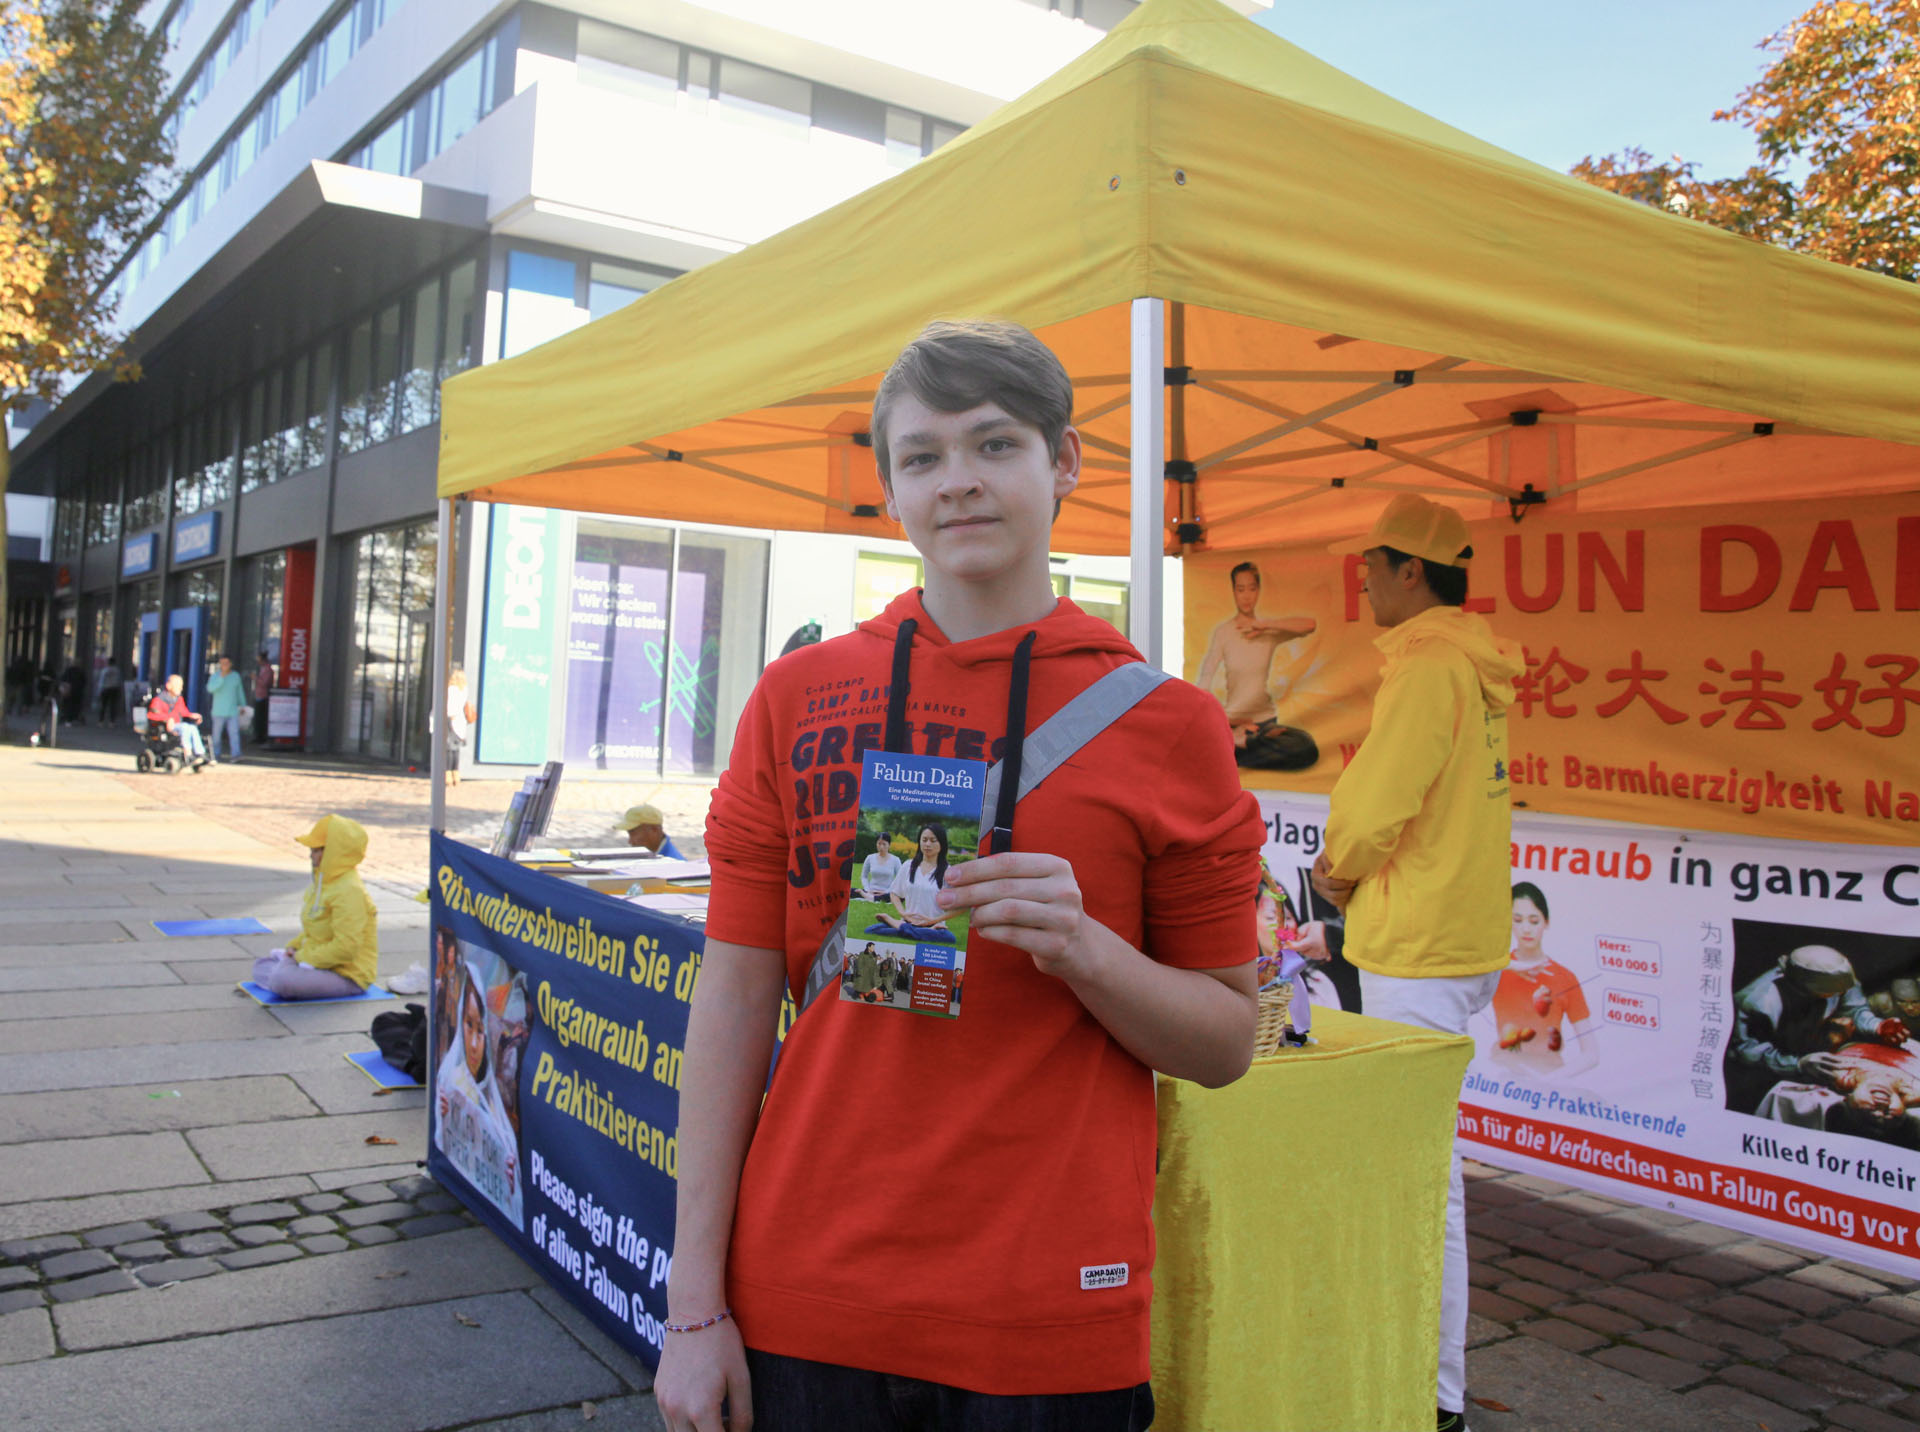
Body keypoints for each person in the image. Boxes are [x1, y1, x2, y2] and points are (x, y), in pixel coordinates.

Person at [656, 320, 1263, 1432]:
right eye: (923, 456)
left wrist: (1086, 950)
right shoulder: (795, 697)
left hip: (1048, 1309)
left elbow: (1226, 1042)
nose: (959, 482)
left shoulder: (1172, 726)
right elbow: (735, 999)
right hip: (806, 1291)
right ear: (890, 490)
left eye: (994, 444)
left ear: (1063, 462)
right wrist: (693, 1306)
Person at [1308, 491, 1523, 1432]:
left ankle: (1432, 1395)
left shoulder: (1432, 661)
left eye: (1373, 564)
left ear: (1411, 570)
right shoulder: (1466, 659)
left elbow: (1375, 804)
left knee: (1421, 1177)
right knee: (1417, 1167)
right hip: (1454, 939)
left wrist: (1337, 870)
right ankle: (1415, 1374)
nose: (1362, 579)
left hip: (1420, 948)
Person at [1726, 945, 1904, 1113]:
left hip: (1807, 1050)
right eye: (1831, 993)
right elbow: (1746, 1052)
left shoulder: (1837, 979)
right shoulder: (1760, 1002)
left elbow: (1854, 1009)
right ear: (1805, 989)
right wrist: (1798, 1065)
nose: (1839, 995)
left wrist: (1878, 1026)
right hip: (1761, 1070)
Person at [1197, 561, 1319, 769]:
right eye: (1240, 589)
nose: (1246, 596)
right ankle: (1237, 744)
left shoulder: (1266, 631)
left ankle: (1239, 749)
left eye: (1252, 589)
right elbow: (1206, 675)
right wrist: (1227, 722)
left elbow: (1309, 625)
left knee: (1305, 746)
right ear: (1233, 591)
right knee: (1209, 744)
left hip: (1264, 724)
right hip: (1232, 722)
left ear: (1259, 590)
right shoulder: (1224, 632)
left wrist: (1264, 625)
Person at [250, 814, 379, 999]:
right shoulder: (324, 882)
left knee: (282, 980)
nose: (311, 855)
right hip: (318, 963)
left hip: (348, 975)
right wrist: (294, 947)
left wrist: (300, 957)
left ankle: (285, 972)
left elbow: (346, 948)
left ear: (334, 852)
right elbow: (315, 931)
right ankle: (286, 971)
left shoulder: (349, 890)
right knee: (261, 967)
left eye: (316, 850)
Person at [1486, 883, 1598, 1079]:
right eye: (1517, 920)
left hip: (1548, 1078)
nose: (1526, 929)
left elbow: (1591, 1054)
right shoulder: (1496, 968)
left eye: (1534, 921)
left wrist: (1547, 1082)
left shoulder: (1565, 978)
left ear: (1546, 922)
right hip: (1504, 1076)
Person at [870, 823, 952, 934]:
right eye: (924, 840)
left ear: (942, 843)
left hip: (934, 925)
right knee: (872, 929)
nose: (928, 844)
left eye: (933, 841)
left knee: (948, 937)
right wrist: (903, 913)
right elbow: (894, 893)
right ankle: (911, 929)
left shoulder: (948, 872)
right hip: (909, 922)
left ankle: (897, 925)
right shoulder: (908, 865)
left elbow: (959, 907)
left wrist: (934, 921)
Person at [148, 675, 210, 769]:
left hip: (176, 725)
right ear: (169, 686)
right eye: (178, 686)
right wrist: (167, 719)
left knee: (192, 728)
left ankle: (200, 752)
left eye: (181, 686)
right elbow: (152, 714)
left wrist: (191, 715)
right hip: (164, 726)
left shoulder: (178, 699)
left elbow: (183, 711)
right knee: (185, 727)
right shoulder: (159, 700)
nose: (180, 688)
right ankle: (188, 753)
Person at [205, 654, 246, 762]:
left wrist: (243, 705)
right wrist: (221, 678)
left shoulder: (235, 676)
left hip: (232, 711)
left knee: (234, 734)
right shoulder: (215, 676)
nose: (224, 665)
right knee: (216, 736)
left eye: (226, 663)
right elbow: (210, 689)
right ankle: (215, 754)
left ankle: (236, 754)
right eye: (222, 663)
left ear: (230, 664)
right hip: (218, 711)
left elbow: (239, 691)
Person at [617, 803, 685, 858]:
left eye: (633, 833)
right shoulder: (651, 856)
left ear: (654, 830)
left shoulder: (673, 864)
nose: (630, 841)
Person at [445, 666, 472, 785]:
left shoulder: (451, 689)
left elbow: (450, 707)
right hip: (460, 721)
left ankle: (448, 774)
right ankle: (456, 774)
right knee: (456, 749)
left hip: (451, 720)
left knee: (449, 749)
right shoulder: (464, 689)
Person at [858, 832, 900, 901]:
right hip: (871, 891)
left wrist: (887, 891)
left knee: (898, 896)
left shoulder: (895, 860)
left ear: (889, 845)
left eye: (884, 844)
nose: (881, 847)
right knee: (852, 891)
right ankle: (869, 896)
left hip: (887, 893)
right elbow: (864, 876)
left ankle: (871, 898)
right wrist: (868, 890)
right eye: (879, 844)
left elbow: (899, 879)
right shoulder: (870, 858)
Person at [252, 651, 274, 744]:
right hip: (258, 695)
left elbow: (264, 683)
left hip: (263, 696)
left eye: (259, 660)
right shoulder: (262, 669)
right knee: (257, 717)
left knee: (261, 717)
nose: (258, 662)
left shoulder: (268, 670)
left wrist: (255, 678)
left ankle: (261, 737)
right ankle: (258, 736)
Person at [97, 658, 123, 726]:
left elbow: (101, 681)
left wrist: (99, 691)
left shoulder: (105, 670)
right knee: (113, 705)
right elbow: (119, 681)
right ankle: (112, 721)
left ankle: (101, 721)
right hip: (114, 689)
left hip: (105, 689)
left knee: (103, 705)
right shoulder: (117, 671)